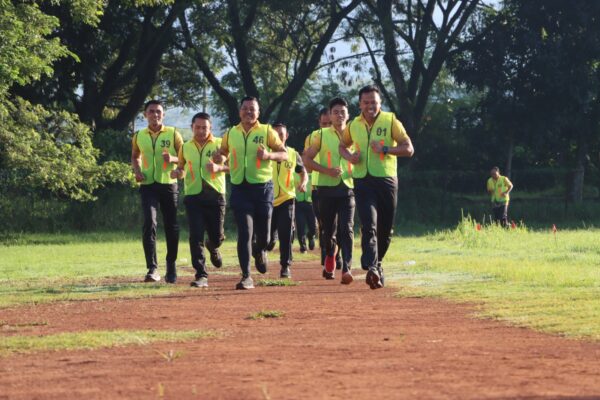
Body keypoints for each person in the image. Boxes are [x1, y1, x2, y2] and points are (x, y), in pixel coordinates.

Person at [340, 85, 414, 290]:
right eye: (366, 102)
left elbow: (409, 148)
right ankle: (372, 266)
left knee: (385, 229)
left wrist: (386, 149)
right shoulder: (354, 125)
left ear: (380, 103)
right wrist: (350, 157)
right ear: (360, 104)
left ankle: (377, 263)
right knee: (368, 224)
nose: (370, 106)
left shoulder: (390, 120)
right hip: (363, 181)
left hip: (386, 180)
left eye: (374, 102)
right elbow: (342, 146)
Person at [214, 96, 288, 290]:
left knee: (266, 237)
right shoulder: (231, 133)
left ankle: (260, 249)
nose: (248, 112)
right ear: (240, 112)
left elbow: (284, 154)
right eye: (245, 108)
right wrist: (218, 156)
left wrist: (268, 155)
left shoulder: (266, 131)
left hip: (263, 189)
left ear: (258, 112)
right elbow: (223, 152)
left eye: (252, 109)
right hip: (240, 188)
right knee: (245, 233)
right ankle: (246, 276)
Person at [171, 112, 228, 288]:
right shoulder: (185, 147)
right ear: (192, 127)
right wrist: (177, 173)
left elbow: (233, 166)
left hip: (215, 195)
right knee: (195, 236)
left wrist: (219, 167)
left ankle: (214, 246)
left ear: (211, 128)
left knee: (216, 236)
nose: (201, 131)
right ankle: (201, 274)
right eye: (198, 127)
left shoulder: (220, 145)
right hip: (193, 196)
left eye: (205, 127)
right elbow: (181, 168)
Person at [303, 97, 355, 285]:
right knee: (328, 231)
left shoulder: (356, 133)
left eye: (343, 112)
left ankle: (347, 268)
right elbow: (306, 160)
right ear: (330, 116)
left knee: (346, 228)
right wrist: (327, 171)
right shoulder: (322, 135)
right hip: (325, 189)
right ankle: (330, 256)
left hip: (348, 188)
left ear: (348, 115)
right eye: (335, 112)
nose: (339, 115)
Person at [131, 100, 183, 283]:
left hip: (169, 184)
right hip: (148, 185)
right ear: (145, 115)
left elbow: (185, 158)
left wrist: (174, 159)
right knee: (149, 223)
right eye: (151, 111)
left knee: (171, 226)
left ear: (164, 114)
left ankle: (171, 265)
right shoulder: (139, 136)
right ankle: (152, 268)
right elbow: (135, 156)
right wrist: (137, 172)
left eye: (158, 111)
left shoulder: (173, 133)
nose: (155, 115)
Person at [304, 109, 342, 271]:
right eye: (323, 123)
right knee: (324, 224)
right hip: (318, 187)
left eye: (329, 123)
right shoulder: (313, 137)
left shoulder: (344, 135)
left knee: (340, 223)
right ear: (319, 123)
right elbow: (306, 159)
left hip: (341, 186)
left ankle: (336, 254)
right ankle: (327, 250)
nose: (327, 125)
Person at [268, 123, 308, 278]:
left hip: (287, 198)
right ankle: (270, 241)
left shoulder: (292, 153)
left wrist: (303, 183)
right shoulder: (265, 153)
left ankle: (285, 266)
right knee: (268, 239)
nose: (279, 137)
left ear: (286, 136)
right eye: (275, 134)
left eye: (281, 134)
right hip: (268, 200)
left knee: (286, 235)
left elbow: (302, 171)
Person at [294, 169, 316, 253]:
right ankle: (303, 247)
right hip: (298, 203)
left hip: (311, 204)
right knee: (300, 226)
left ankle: (311, 236)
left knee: (313, 227)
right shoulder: (294, 173)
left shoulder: (313, 173)